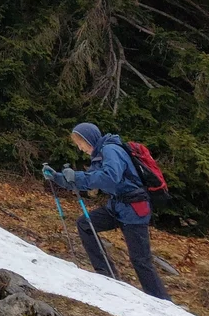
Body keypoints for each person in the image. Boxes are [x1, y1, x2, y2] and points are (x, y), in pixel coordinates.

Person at [46, 122, 170, 300]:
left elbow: (109, 178)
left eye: (80, 143)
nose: (80, 149)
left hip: (134, 210)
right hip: (118, 207)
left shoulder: (111, 150)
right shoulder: (101, 153)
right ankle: (107, 276)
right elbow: (91, 179)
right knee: (85, 224)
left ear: (89, 139)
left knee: (141, 260)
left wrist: (76, 176)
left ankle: (163, 303)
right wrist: (58, 177)